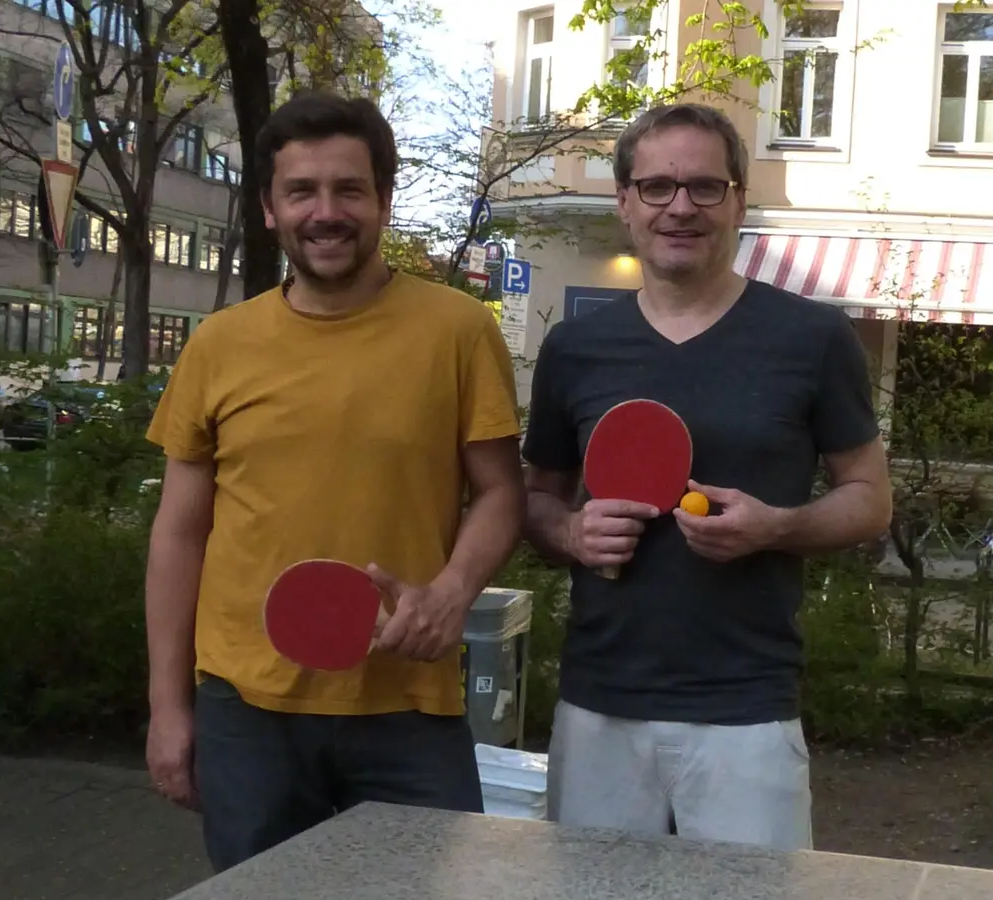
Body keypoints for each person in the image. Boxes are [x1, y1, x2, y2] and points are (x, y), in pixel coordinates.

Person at [142, 91, 525, 873]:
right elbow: (180, 533)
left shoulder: (459, 331)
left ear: (384, 198)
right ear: (269, 208)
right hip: (247, 713)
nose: (327, 211)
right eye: (302, 191)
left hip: (409, 705)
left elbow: (500, 492)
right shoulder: (219, 344)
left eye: (349, 189)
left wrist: (452, 592)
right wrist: (167, 706)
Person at [519, 103, 894, 851]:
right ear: (624, 203)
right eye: (656, 187)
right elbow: (534, 499)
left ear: (738, 202)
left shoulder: (813, 338)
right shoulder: (576, 347)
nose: (680, 207)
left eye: (704, 187)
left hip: (748, 712)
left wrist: (778, 527)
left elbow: (870, 499)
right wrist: (569, 530)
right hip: (599, 708)